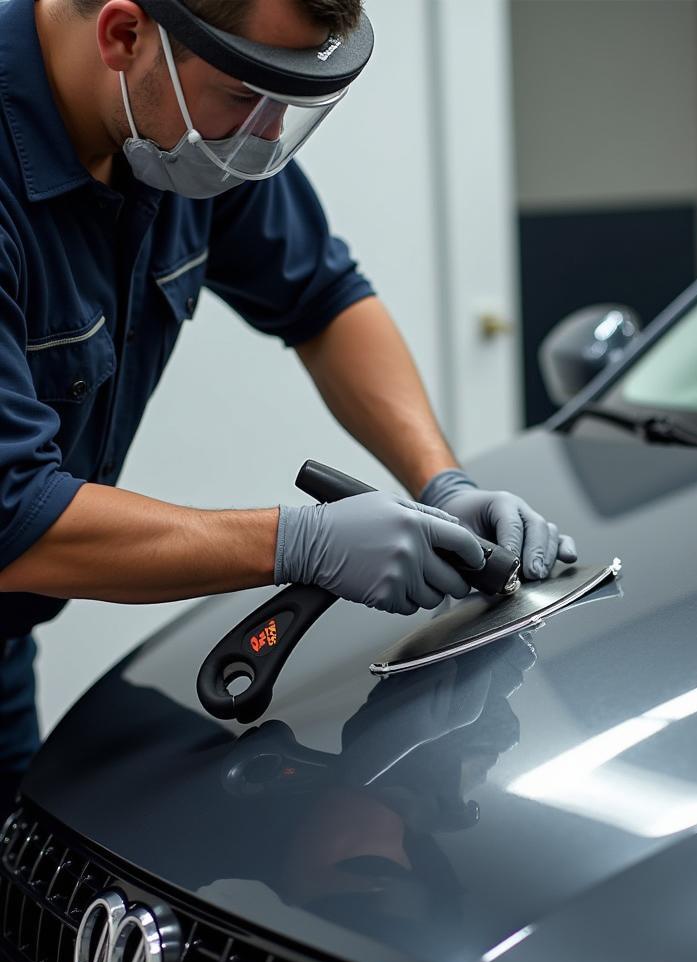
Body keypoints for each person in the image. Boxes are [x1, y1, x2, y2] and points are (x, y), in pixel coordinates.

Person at [0, 0, 576, 811]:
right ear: (125, 36)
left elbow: (323, 300)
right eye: (246, 98)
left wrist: (442, 479)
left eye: (289, 104)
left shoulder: (172, 126)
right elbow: (13, 517)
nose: (266, 136)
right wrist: (298, 543)